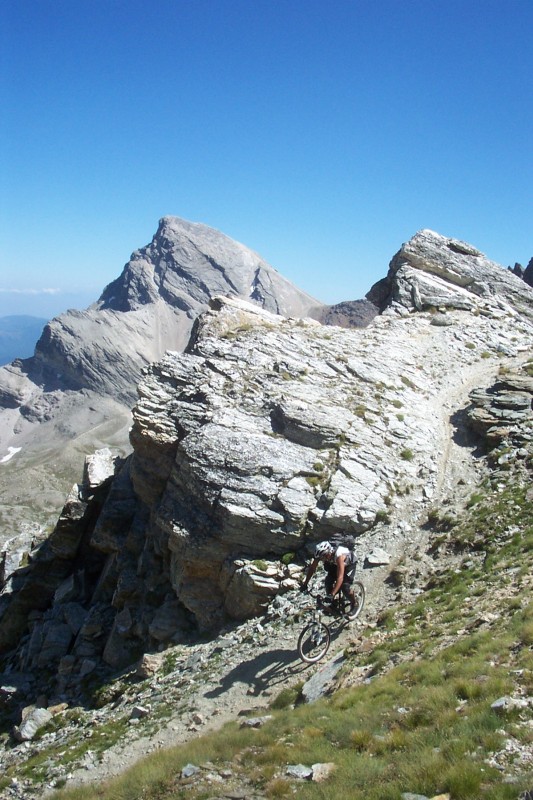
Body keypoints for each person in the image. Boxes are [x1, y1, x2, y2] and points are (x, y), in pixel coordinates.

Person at [301, 540, 359, 619]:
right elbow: (312, 569)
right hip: (335, 565)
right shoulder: (321, 554)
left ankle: (354, 603)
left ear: (329, 551)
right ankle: (333, 605)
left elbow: (340, 577)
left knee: (345, 587)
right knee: (328, 581)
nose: (323, 559)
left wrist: (332, 594)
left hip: (349, 565)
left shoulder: (339, 555)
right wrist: (305, 584)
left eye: (324, 556)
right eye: (321, 557)